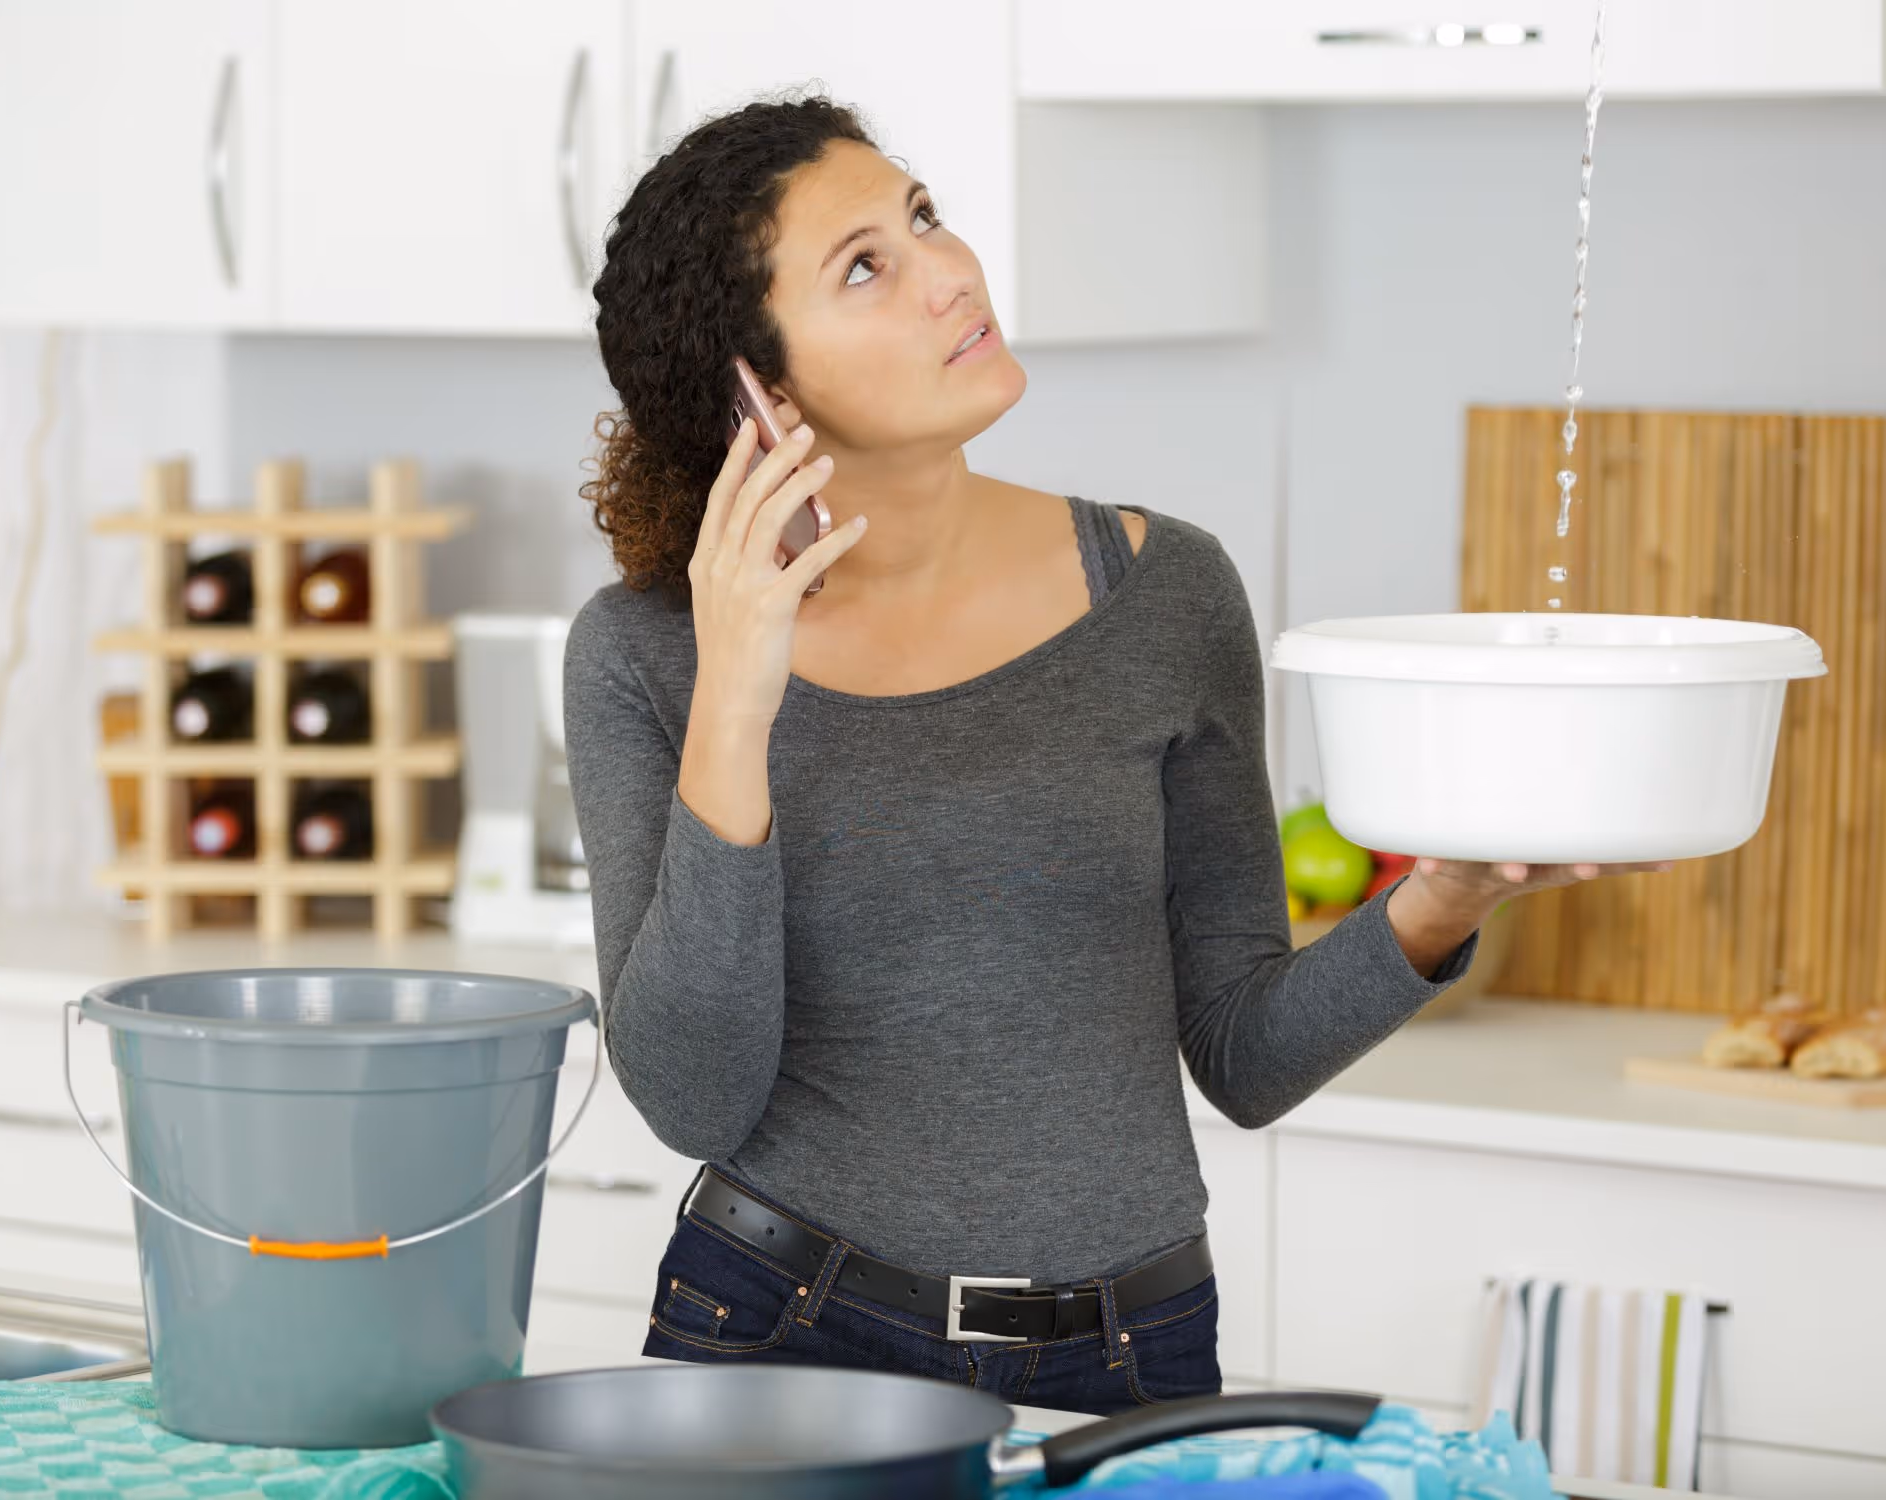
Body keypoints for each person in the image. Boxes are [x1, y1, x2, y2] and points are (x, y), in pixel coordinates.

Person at [565, 96, 1661, 1415]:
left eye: (922, 218)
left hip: (1129, 1356)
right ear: (761, 390)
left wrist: (1445, 897)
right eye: (865, 265)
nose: (949, 271)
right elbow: (691, 1096)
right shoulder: (645, 654)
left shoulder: (1166, 593)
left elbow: (1243, 1054)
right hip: (779, 1333)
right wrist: (738, 694)